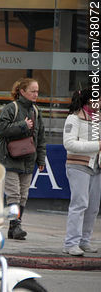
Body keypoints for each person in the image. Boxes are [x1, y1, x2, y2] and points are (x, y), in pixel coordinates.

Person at [0, 77, 46, 240]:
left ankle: (14, 227)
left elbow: (41, 137)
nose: (36, 94)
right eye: (33, 91)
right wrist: (22, 125)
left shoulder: (37, 111)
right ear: (22, 92)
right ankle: (16, 226)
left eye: (37, 91)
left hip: (28, 159)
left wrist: (41, 159)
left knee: (23, 195)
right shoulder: (11, 108)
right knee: (14, 194)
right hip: (9, 159)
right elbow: (1, 129)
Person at [62, 88, 101, 256]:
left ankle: (85, 241)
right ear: (88, 101)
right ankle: (71, 243)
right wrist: (97, 146)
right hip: (78, 165)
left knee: (93, 207)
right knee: (79, 204)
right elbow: (69, 144)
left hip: (96, 166)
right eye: (98, 99)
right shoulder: (74, 118)